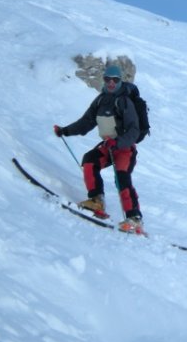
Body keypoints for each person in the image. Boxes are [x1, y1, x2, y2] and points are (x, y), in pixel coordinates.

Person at [54, 65, 145, 233]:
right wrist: (65, 131)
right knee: (90, 161)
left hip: (124, 148)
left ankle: (134, 219)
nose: (111, 83)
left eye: (115, 80)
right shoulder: (100, 100)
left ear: (120, 81)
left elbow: (134, 131)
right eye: (107, 80)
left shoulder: (125, 101)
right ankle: (96, 201)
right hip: (108, 146)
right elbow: (86, 122)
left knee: (122, 178)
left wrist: (118, 142)